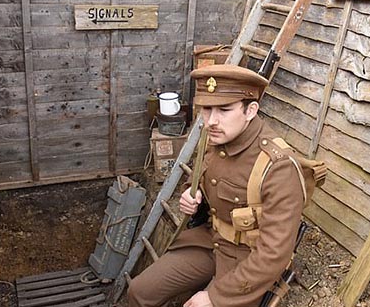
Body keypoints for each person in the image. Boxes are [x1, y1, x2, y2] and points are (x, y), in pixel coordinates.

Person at [127, 64, 305, 307]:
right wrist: (193, 195)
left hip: (248, 259)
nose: (211, 121)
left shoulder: (279, 167)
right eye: (206, 109)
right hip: (210, 241)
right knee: (140, 291)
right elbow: (201, 176)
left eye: (224, 109)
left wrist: (214, 297)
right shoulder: (216, 138)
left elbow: (274, 255)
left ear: (251, 110)